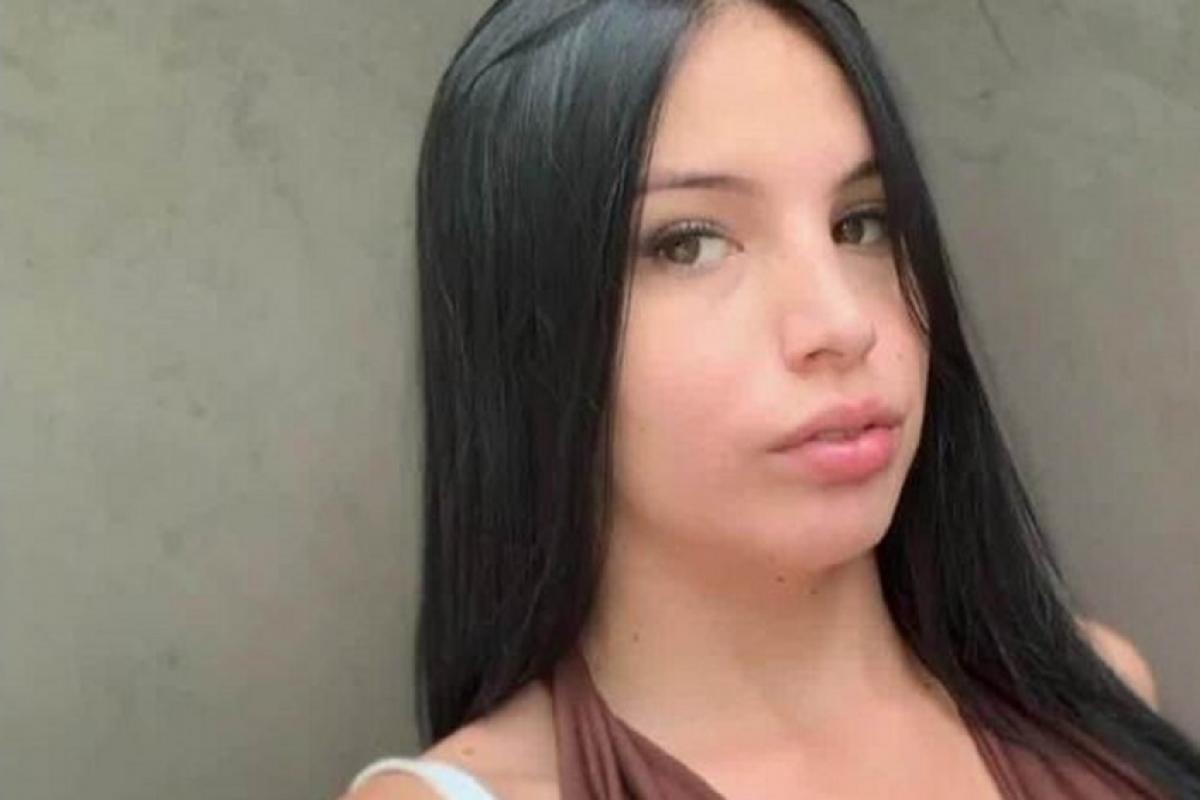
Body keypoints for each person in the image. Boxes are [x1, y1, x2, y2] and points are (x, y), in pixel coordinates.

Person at [343, 0, 1200, 797]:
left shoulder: (1097, 706)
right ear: (524, 328)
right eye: (690, 243)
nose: (842, 323)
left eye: (862, 223)